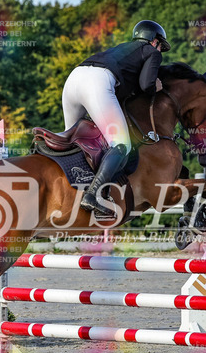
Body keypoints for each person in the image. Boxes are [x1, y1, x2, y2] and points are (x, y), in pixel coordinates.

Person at [62, 20, 171, 218]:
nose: (160, 51)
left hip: (73, 79)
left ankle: (67, 188)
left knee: (71, 140)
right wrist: (155, 87)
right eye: (160, 46)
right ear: (154, 41)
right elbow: (146, 85)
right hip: (97, 82)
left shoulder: (122, 48)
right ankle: (92, 195)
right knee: (121, 145)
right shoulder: (151, 52)